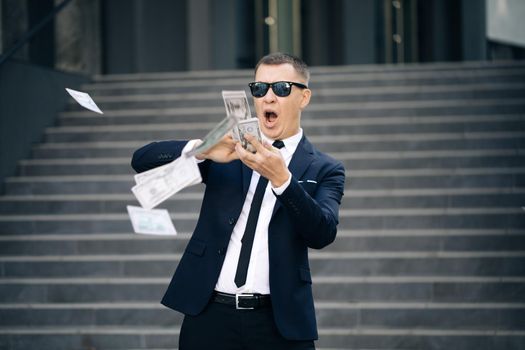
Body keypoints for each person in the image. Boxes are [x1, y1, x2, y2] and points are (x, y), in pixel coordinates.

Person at [131, 52, 345, 350]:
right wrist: (203, 149)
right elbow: (142, 160)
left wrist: (283, 180)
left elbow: (323, 232)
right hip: (210, 315)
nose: (268, 98)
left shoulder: (325, 168)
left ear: (304, 97)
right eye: (259, 89)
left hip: (279, 322)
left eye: (281, 88)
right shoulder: (232, 151)